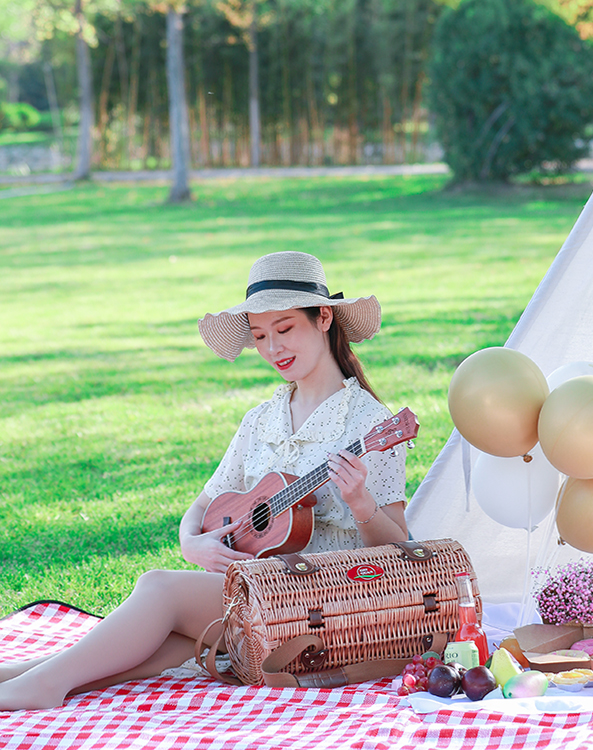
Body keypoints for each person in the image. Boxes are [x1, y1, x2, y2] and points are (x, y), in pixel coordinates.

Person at [0, 251, 408, 710]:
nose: (273, 348)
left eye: (285, 327)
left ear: (324, 317)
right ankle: (31, 675)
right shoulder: (261, 420)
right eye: (259, 335)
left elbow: (401, 553)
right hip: (257, 590)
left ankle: (42, 685)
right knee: (171, 638)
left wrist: (360, 503)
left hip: (324, 607)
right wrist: (190, 544)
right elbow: (202, 506)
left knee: (160, 589)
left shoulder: (371, 426)